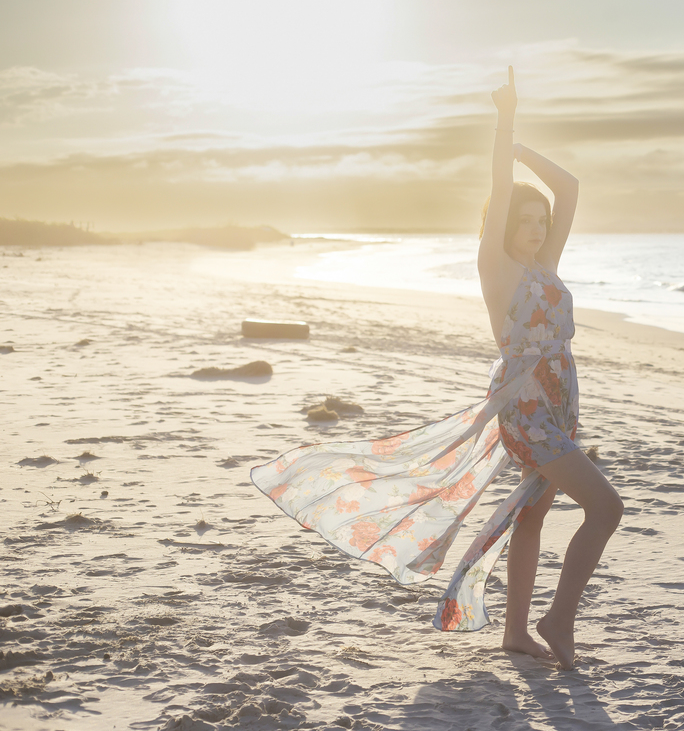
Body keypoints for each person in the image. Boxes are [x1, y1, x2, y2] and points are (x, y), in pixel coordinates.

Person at [250, 67, 622, 671]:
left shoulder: (546, 266)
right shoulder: (497, 270)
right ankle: (558, 620)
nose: (536, 227)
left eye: (540, 221)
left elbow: (571, 189)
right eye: (524, 220)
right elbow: (501, 188)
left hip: (559, 405)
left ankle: (516, 634)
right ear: (503, 226)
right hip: (527, 411)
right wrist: (505, 126)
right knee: (606, 509)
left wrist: (527, 150)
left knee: (531, 520)